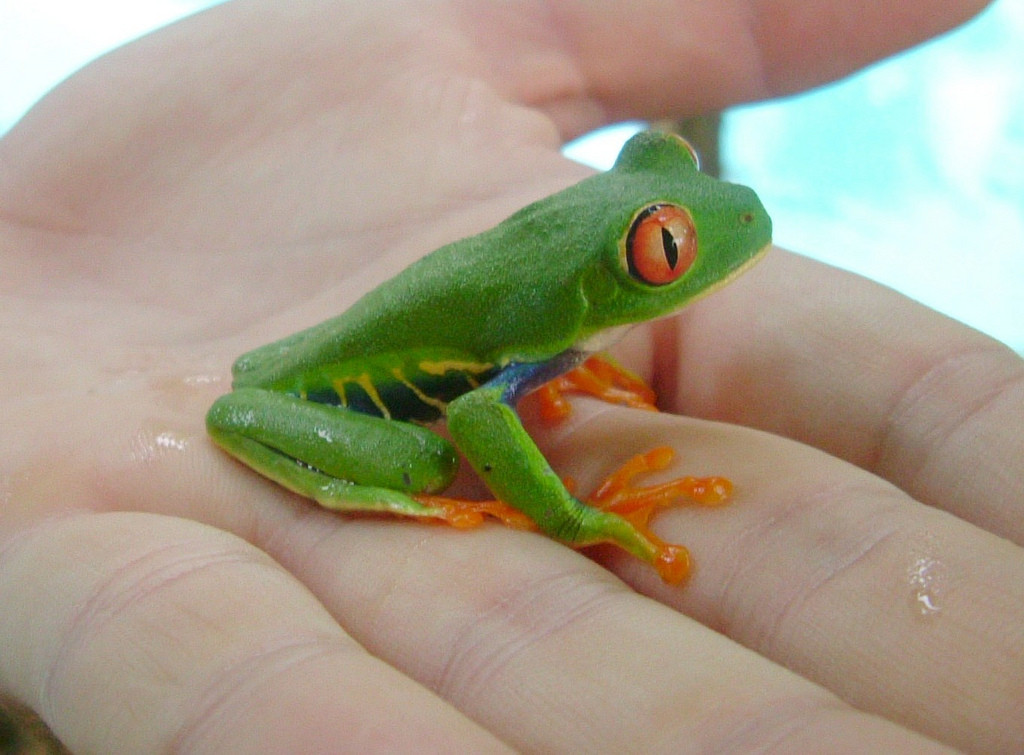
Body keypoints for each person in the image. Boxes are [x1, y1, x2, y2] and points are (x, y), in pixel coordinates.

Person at [1, 1, 1020, 751]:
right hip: (331, 395)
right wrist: (572, 514)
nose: (706, 215)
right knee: (426, 454)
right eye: (664, 243)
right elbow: (484, 419)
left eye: (662, 174)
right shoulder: (533, 323)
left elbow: (515, 368)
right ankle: (383, 480)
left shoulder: (560, 302)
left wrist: (562, 366)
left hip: (391, 343)